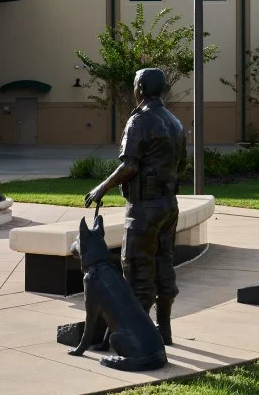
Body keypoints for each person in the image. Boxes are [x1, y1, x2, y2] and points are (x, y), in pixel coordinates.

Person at [84, 68, 187, 345]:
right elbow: (183, 166)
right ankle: (163, 330)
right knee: (164, 267)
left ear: (140, 87)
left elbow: (130, 164)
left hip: (143, 208)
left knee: (138, 271)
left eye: (134, 85)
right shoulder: (175, 123)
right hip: (168, 205)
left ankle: (139, 336)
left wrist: (101, 187)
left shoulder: (139, 121)